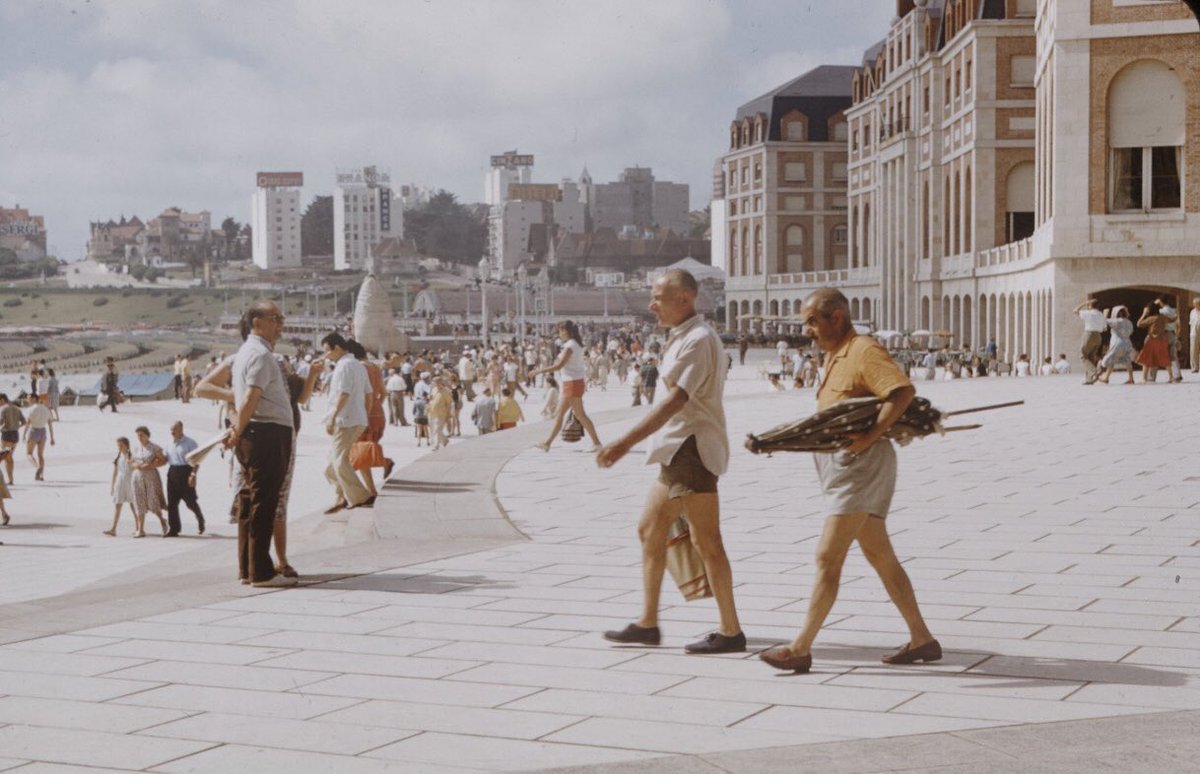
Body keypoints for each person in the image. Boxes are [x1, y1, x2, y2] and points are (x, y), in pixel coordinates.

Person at [759, 288, 938, 674]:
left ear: (836, 317)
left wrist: (869, 437)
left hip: (861, 468)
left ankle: (800, 648)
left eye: (811, 321)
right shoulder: (835, 354)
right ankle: (922, 638)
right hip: (843, 468)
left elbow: (902, 391)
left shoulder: (863, 350)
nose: (807, 330)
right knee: (880, 556)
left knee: (827, 555)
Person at [597, 270, 745, 654]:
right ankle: (648, 623)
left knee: (707, 540)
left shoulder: (698, 340)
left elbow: (676, 400)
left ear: (685, 299)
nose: (652, 304)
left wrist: (624, 442)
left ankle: (731, 631)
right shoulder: (682, 337)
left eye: (659, 297)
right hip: (676, 451)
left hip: (692, 449)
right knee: (650, 529)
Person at [228, 302, 297, 587]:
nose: (280, 324)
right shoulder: (261, 356)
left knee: (249, 500)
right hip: (266, 433)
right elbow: (250, 398)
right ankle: (262, 572)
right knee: (264, 502)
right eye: (275, 318)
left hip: (254, 433)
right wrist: (237, 429)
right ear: (257, 322)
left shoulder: (246, 352)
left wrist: (238, 431)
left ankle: (248, 568)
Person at [320, 332, 372, 513]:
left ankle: (361, 496)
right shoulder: (358, 365)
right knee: (330, 465)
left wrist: (332, 417)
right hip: (356, 418)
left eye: (328, 351)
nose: (327, 355)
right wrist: (366, 414)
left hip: (346, 419)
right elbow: (369, 393)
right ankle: (342, 495)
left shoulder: (344, 366)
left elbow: (344, 393)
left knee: (339, 462)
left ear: (337, 348)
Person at [530, 320, 602, 452]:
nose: (559, 334)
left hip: (572, 383)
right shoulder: (575, 344)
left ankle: (597, 443)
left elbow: (559, 366)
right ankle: (547, 443)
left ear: (565, 331)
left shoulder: (570, 346)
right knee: (562, 414)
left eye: (560, 331)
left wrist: (539, 371)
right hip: (574, 382)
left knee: (580, 415)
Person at [163, 421, 204, 536]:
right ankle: (174, 529)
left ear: (181, 429)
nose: (172, 432)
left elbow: (197, 460)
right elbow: (165, 458)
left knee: (190, 502)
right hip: (172, 473)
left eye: (174, 429)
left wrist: (193, 475)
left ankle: (200, 518)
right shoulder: (168, 443)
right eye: (171, 430)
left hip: (186, 472)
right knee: (172, 503)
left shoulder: (190, 443)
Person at [130, 425, 168, 538]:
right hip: (137, 477)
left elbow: (164, 460)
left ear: (147, 435)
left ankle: (162, 520)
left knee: (153, 501)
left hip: (150, 476)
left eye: (141, 435)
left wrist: (151, 465)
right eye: (138, 435)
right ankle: (140, 529)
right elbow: (131, 461)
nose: (139, 437)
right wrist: (135, 465)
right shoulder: (136, 448)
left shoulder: (154, 448)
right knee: (138, 501)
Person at [1097, 306, 1135, 385]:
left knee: (1106, 359)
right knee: (1127, 361)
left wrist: (1105, 313)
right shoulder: (1129, 322)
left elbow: (1104, 321)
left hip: (1117, 343)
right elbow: (1131, 332)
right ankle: (1130, 378)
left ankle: (1098, 373)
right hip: (1127, 343)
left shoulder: (1117, 321)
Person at [106, 436, 135, 536]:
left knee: (133, 505)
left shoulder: (131, 457)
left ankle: (138, 527)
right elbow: (115, 472)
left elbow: (135, 470)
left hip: (129, 482)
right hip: (120, 482)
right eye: (118, 446)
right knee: (118, 504)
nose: (119, 447)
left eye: (121, 445)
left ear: (127, 446)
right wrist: (112, 486)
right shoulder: (119, 457)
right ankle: (113, 529)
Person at [1073, 299, 1106, 384]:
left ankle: (1095, 371)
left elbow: (1075, 310)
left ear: (1090, 305)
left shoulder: (1088, 313)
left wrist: (1084, 303)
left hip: (1089, 334)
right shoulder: (1101, 314)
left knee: (1083, 356)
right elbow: (1105, 328)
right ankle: (1089, 379)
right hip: (1098, 336)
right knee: (1091, 357)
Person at [1136, 303, 1171, 383]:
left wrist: (1144, 314)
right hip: (1162, 339)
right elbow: (1172, 319)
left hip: (1151, 340)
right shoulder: (1163, 317)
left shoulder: (1152, 318)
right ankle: (1171, 376)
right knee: (1165, 358)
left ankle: (1144, 378)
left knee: (1146, 360)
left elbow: (1139, 324)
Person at [23, 400, 53, 481]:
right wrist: (52, 438)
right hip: (43, 431)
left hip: (34, 431)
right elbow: (50, 424)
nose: (28, 400)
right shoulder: (46, 409)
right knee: (40, 455)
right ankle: (41, 476)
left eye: (29, 398)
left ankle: (37, 467)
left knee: (29, 453)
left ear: (33, 399)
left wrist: (24, 434)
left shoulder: (32, 409)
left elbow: (28, 423)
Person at [0, 394, 24, 485]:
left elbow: (1, 421)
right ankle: (11, 479)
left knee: (5, 457)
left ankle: (10, 480)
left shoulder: (3, 409)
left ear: (2, 400)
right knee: (9, 457)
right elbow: (24, 422)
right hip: (15, 435)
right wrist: (16, 426)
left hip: (6, 434)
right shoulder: (17, 408)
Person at [1156, 296, 1182, 382]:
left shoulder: (1161, 311)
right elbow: (1178, 325)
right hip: (1172, 334)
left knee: (1166, 355)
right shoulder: (1174, 311)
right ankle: (1177, 375)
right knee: (1173, 355)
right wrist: (1177, 336)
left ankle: (1171, 376)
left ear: (1161, 302)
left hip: (1164, 334)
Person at [1190, 299, 1200, 374]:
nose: (1194, 305)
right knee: (1193, 350)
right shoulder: (1192, 312)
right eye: (1194, 304)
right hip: (1194, 332)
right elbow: (1191, 323)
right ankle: (1194, 367)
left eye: (1196, 303)